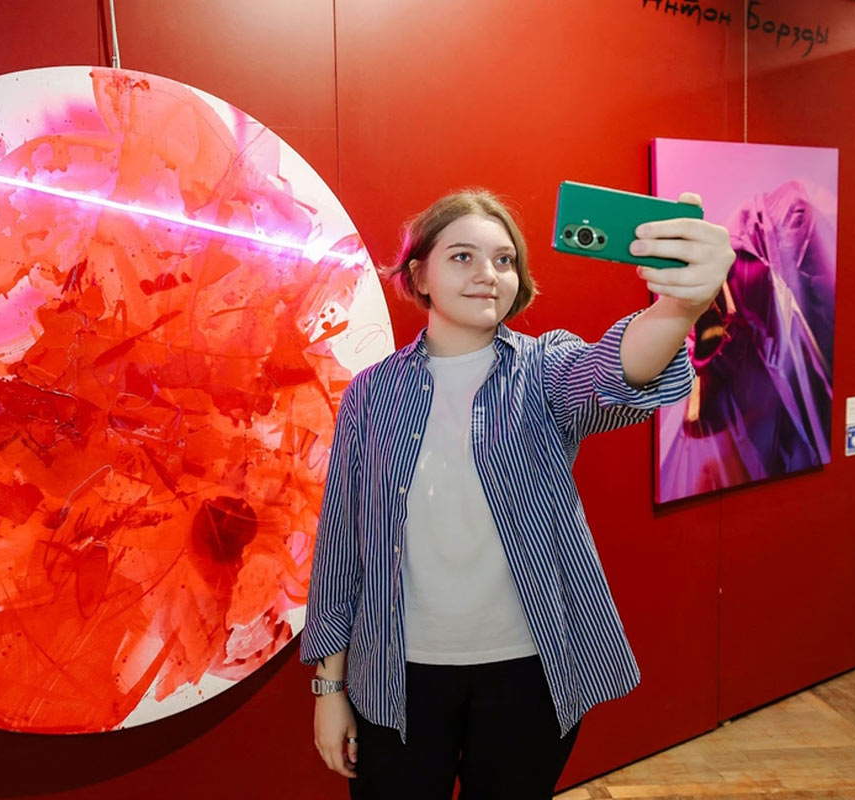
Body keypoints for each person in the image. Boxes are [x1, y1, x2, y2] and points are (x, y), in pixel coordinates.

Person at [300, 187, 735, 799]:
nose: (488, 274)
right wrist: (329, 688)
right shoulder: (371, 394)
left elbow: (617, 370)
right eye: (463, 256)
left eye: (504, 260)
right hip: (393, 675)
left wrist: (679, 308)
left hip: (528, 672)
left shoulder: (547, 368)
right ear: (419, 275)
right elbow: (341, 547)